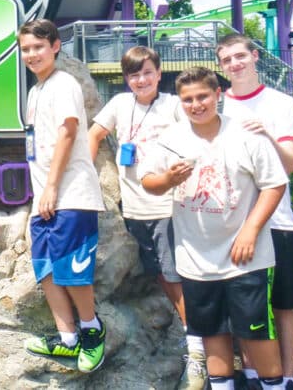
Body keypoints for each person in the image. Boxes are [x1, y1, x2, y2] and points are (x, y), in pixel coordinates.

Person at [141, 67, 289, 390]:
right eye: (188, 99)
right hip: (196, 259)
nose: (196, 105)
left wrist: (251, 230)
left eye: (203, 96)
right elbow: (148, 181)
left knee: (257, 333)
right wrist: (168, 180)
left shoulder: (246, 135)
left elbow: (275, 184)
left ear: (217, 95)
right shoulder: (170, 139)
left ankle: (274, 385)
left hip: (246, 257)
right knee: (211, 333)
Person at [88, 46, 205, 388]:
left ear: (159, 72)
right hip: (134, 207)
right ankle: (197, 336)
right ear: (127, 78)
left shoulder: (172, 105)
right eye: (134, 75)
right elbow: (94, 135)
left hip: (169, 205)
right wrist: (86, 174)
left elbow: (196, 139)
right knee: (161, 273)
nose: (141, 80)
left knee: (175, 273)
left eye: (147, 72)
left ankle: (198, 347)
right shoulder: (121, 105)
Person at [217, 34, 293, 390]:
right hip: (230, 223)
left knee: (283, 303)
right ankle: (252, 372)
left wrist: (268, 135)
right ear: (221, 66)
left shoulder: (281, 104)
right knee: (242, 303)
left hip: (277, 220)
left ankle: (287, 376)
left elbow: (289, 167)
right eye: (227, 60)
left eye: (241, 56)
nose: (235, 64)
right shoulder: (217, 105)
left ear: (255, 56)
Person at [17, 19, 108, 374]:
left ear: (55, 46)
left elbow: (68, 134)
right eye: (26, 48)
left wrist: (53, 186)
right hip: (46, 199)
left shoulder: (64, 83)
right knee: (45, 271)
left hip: (71, 196)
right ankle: (67, 338)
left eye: (38, 47)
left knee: (72, 271)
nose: (32, 54)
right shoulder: (36, 91)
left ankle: (92, 330)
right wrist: (43, 191)